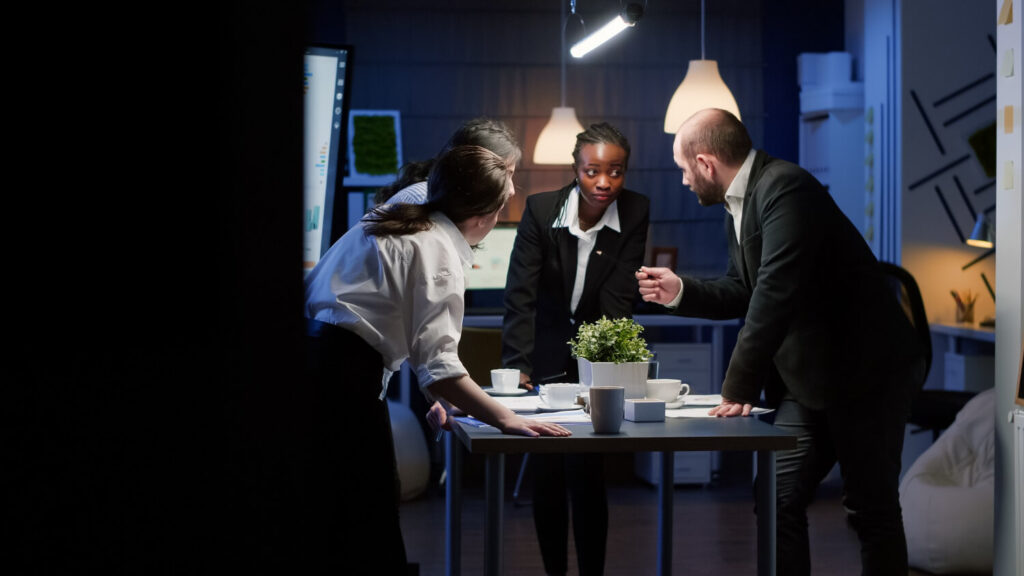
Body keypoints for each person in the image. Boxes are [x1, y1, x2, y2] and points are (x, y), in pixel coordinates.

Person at [636, 108, 925, 575]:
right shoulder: (741, 200)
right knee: (776, 499)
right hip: (809, 381)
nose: (684, 180)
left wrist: (739, 387)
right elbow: (744, 288)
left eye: (684, 168)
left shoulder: (786, 187)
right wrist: (681, 290)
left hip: (867, 373)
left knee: (870, 510)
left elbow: (775, 292)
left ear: (707, 163)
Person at [304, 145, 571, 575]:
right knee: (367, 524)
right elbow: (441, 365)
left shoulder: (402, 212)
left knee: (338, 522)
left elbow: (411, 338)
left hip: (316, 363)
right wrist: (507, 419)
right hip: (342, 383)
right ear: (485, 215)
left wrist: (443, 396)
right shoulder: (438, 251)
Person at [503, 122, 649, 576]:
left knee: (588, 475)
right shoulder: (542, 209)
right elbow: (521, 293)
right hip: (543, 356)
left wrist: (604, 368)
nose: (604, 183)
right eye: (592, 172)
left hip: (596, 361)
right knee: (547, 476)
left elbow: (619, 299)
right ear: (575, 169)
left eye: (615, 171)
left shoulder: (636, 209)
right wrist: (517, 364)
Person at [375, 117, 522, 207]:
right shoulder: (424, 201)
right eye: (505, 174)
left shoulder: (438, 198)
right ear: (469, 168)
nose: (511, 190)